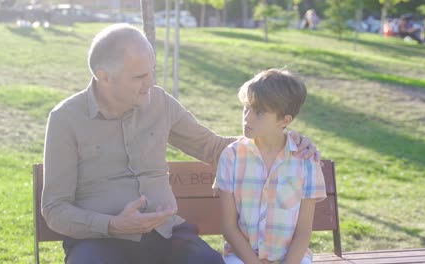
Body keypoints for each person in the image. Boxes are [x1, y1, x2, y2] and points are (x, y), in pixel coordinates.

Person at [42, 24, 319, 264]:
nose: (151, 82)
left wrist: (283, 140)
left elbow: (213, 148)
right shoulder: (65, 119)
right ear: (104, 77)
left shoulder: (160, 104)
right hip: (99, 242)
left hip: (166, 234)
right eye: (140, 76)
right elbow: (55, 209)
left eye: (152, 71)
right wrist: (113, 224)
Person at [213, 69, 326, 264]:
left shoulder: (306, 161)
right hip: (241, 257)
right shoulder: (231, 156)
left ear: (285, 120)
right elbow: (229, 227)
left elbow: (303, 232)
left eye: (259, 112)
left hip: (292, 259)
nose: (247, 118)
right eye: (246, 107)